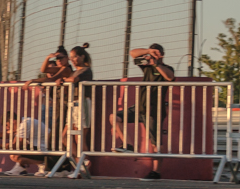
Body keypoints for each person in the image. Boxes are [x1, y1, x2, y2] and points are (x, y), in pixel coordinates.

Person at [109, 43, 175, 179]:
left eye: (157, 53)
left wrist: (157, 64)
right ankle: (128, 144)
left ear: (162, 54)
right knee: (114, 117)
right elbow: (132, 53)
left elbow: (170, 77)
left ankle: (156, 172)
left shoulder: (167, 68)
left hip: (155, 109)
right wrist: (148, 51)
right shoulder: (147, 66)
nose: (154, 55)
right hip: (140, 107)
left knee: (156, 143)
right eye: (153, 53)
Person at [61, 44, 94, 179]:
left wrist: (63, 80)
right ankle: (80, 163)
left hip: (82, 103)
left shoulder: (86, 70)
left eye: (75, 57)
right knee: (65, 136)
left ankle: (84, 162)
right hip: (73, 104)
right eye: (71, 57)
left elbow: (74, 80)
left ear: (82, 57)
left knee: (80, 137)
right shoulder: (74, 71)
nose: (72, 60)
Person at [1, 112, 50, 176]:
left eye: (7, 125)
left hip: (44, 149)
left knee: (15, 155)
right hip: (40, 147)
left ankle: (43, 164)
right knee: (16, 151)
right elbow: (14, 141)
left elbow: (17, 144)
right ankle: (20, 168)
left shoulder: (25, 124)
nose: (7, 128)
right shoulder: (24, 122)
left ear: (13, 121)